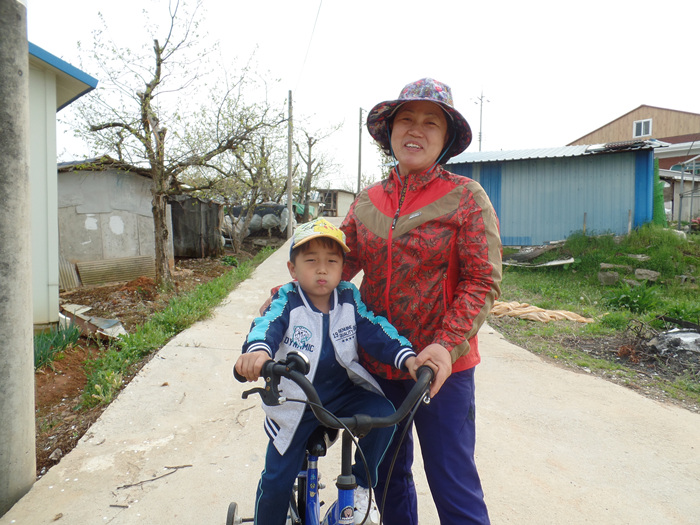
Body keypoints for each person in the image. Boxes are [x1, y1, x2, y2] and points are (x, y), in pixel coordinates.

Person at [340, 78, 502, 524]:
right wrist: (288, 295)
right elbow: (337, 264)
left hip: (440, 369)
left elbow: (482, 279)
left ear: (446, 138)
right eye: (406, 119)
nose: (417, 129)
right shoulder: (367, 201)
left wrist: (446, 346)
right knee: (387, 478)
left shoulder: (466, 198)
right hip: (380, 364)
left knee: (453, 483)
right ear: (389, 133)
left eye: (431, 122)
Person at [235, 217, 418, 525]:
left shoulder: (347, 297)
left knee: (385, 416)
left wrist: (407, 357)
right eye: (311, 261)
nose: (322, 269)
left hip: (343, 392)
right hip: (297, 401)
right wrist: (257, 352)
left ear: (342, 267)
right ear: (293, 269)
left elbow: (374, 329)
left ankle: (361, 485)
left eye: (332, 261)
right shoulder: (287, 300)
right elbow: (266, 326)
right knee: (277, 481)